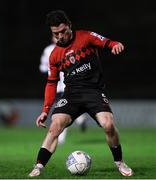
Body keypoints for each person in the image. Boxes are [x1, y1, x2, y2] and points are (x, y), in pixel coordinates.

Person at [29, 10, 133, 177]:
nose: (60, 36)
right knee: (55, 126)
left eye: (63, 31)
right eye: (56, 33)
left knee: (108, 124)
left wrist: (115, 45)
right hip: (71, 94)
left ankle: (119, 162)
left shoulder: (86, 36)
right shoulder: (55, 55)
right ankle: (39, 166)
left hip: (94, 91)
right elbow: (51, 83)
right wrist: (45, 110)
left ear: (69, 26)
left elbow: (106, 42)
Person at [39, 36, 88, 144]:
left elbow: (42, 68)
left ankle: (61, 138)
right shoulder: (70, 49)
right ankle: (80, 119)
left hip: (60, 86)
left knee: (62, 112)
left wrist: (50, 70)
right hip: (66, 85)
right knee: (66, 110)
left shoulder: (48, 50)